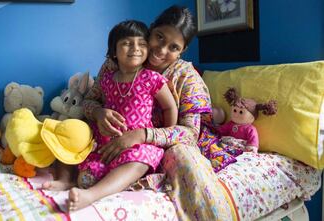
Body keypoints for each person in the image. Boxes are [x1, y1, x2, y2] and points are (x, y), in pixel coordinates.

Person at [82, 5, 238, 221]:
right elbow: (89, 99)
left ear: (182, 51)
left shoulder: (186, 77)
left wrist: (144, 135)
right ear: (151, 29)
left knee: (185, 157)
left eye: (173, 47)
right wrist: (99, 113)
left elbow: (190, 134)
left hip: (164, 143)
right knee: (75, 129)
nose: (162, 50)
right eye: (159, 37)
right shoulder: (119, 59)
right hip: (114, 137)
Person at [68, 19, 178, 211]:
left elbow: (170, 107)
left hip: (139, 143)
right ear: (113, 52)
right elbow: (91, 101)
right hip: (106, 141)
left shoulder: (152, 78)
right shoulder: (107, 79)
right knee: (84, 170)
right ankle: (69, 181)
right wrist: (99, 112)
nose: (135, 48)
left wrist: (166, 136)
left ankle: (91, 195)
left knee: (139, 160)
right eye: (127, 43)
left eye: (142, 43)